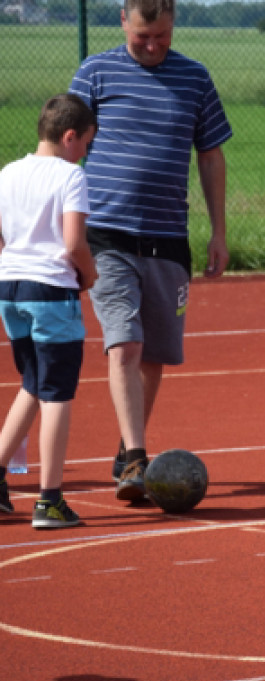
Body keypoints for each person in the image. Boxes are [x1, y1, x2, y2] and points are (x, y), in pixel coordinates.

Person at [68, 0, 232, 501]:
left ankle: (125, 452)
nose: (154, 45)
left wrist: (219, 231)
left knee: (154, 352)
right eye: (143, 36)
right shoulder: (95, 72)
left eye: (162, 35)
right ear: (123, 21)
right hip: (107, 236)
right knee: (126, 342)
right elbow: (66, 147)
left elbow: (210, 154)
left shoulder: (195, 78)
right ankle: (138, 458)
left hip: (168, 238)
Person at [0, 94, 98, 529]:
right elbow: (74, 242)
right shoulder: (70, 176)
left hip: (10, 288)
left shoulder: (8, 173)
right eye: (85, 144)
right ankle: (50, 499)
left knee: (33, 384)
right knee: (57, 392)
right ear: (70, 136)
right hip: (51, 290)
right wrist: (89, 276)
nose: (85, 153)